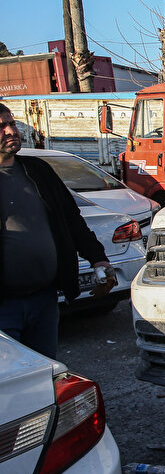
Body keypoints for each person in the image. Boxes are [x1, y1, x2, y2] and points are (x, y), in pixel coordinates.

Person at [0, 103, 113, 359]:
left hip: (44, 300)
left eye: (12, 123)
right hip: (3, 306)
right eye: (1, 127)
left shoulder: (39, 171)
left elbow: (72, 220)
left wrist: (98, 258)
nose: (10, 131)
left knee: (45, 375)